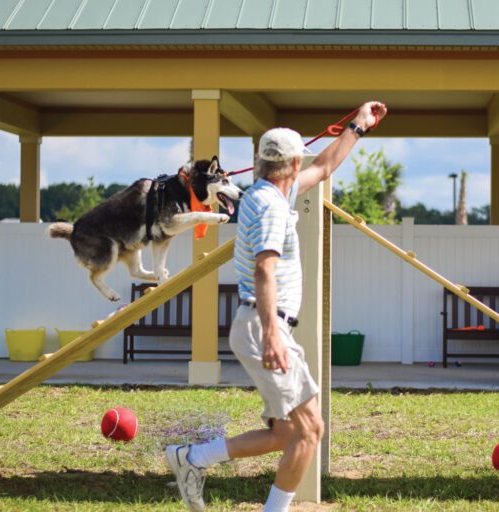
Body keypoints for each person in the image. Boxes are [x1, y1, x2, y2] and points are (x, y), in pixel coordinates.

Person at [165, 101, 388, 512]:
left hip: (254, 324)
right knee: (310, 431)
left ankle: (192, 458)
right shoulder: (271, 208)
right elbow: (266, 269)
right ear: (290, 165)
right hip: (264, 325)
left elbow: (323, 168)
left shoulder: (265, 194)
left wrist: (358, 126)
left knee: (286, 433)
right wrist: (272, 334)